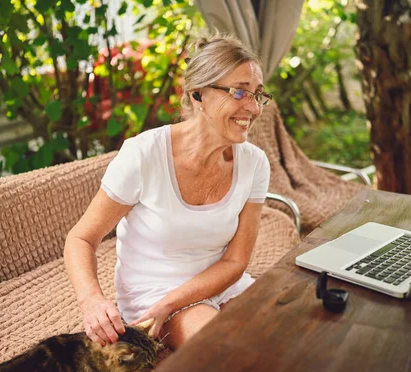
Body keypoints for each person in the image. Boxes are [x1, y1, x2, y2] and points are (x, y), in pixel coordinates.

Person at [64, 33, 273, 350]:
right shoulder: (143, 155)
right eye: (240, 92)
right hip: (155, 292)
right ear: (197, 95)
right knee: (223, 352)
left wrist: (180, 300)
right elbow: (81, 238)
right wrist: (92, 300)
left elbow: (235, 261)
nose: (253, 108)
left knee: (287, 336)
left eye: (257, 95)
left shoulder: (255, 163)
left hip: (222, 282)